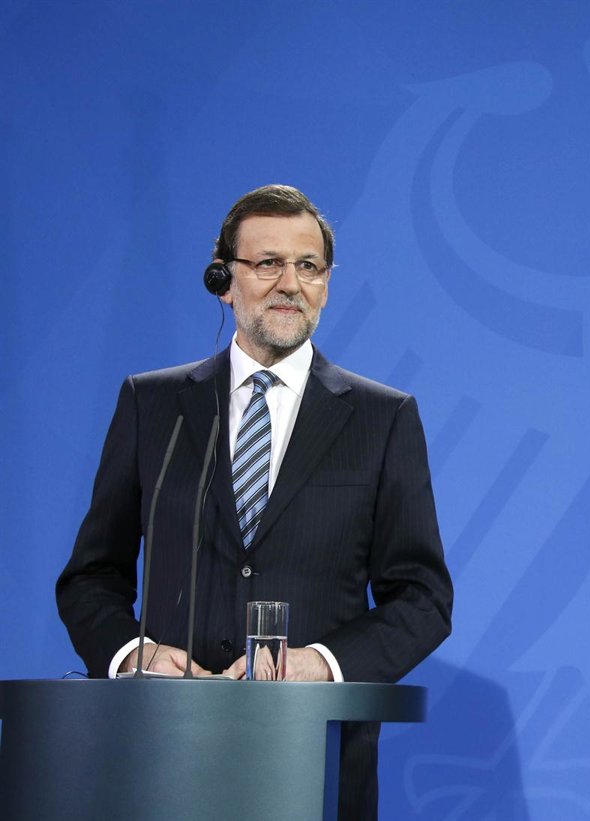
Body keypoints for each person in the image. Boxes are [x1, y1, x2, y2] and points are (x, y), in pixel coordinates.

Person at [56, 184, 453, 820]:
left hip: (313, 758)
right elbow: (91, 577)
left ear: (326, 284)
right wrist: (133, 655)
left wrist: (321, 664)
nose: (290, 284)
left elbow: (423, 599)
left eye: (309, 266)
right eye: (268, 263)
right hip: (163, 753)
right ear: (223, 279)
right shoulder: (153, 405)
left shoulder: (383, 418)